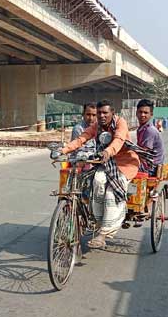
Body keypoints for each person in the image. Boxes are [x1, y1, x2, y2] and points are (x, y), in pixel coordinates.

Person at [55, 100, 140, 249]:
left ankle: (103, 234)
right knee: (98, 182)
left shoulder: (121, 123)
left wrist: (108, 151)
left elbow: (119, 139)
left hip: (125, 164)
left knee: (111, 194)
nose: (101, 115)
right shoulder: (96, 126)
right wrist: (63, 150)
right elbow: (82, 138)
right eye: (99, 113)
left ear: (112, 113)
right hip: (105, 163)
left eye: (105, 113)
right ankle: (99, 221)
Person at [136, 99, 165, 175]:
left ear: (151, 114)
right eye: (140, 112)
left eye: (146, 113)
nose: (142, 115)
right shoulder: (142, 128)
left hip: (150, 168)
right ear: (136, 113)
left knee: (119, 166)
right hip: (149, 164)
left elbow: (143, 153)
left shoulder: (149, 130)